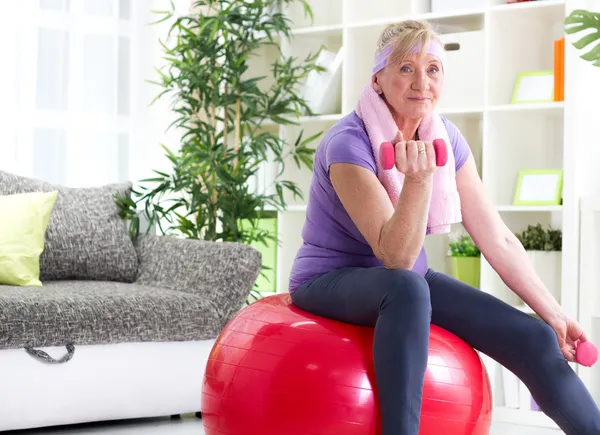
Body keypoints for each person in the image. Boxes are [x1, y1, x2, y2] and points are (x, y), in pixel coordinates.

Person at [288, 19, 600, 435]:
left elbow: (498, 238)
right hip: (329, 279)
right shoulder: (348, 143)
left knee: (536, 337)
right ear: (377, 79)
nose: (422, 82)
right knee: (408, 286)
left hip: (404, 284)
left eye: (433, 69)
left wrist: (555, 315)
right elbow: (394, 257)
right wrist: (418, 180)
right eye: (405, 68)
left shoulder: (445, 138)